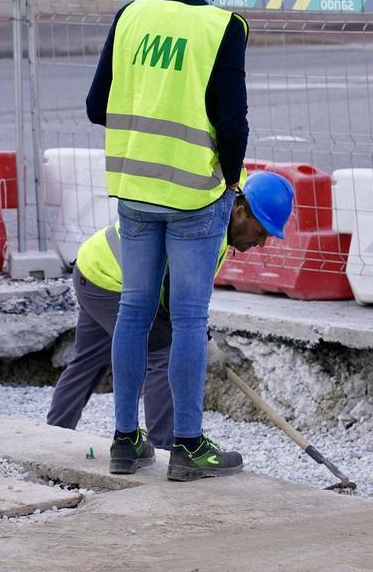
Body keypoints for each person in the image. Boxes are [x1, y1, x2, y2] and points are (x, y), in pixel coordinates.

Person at [85, 0, 250, 482]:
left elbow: (97, 105)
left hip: (134, 188)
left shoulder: (130, 16)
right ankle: (188, 445)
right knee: (188, 320)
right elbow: (232, 122)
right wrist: (231, 180)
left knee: (133, 311)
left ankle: (124, 442)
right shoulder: (224, 27)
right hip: (194, 196)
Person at [45, 171, 294, 458]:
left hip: (93, 267)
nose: (261, 243)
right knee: (164, 350)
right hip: (112, 282)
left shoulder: (216, 212)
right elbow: (176, 301)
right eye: (260, 232)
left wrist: (202, 338)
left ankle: (53, 437)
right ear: (239, 213)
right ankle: (166, 449)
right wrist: (201, 341)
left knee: (89, 360)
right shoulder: (207, 229)